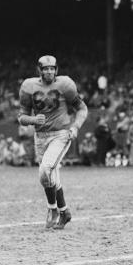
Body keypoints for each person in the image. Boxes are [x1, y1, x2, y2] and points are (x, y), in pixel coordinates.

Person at [16, 54, 88, 229]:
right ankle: (64, 212)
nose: (49, 71)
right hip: (40, 137)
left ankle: (52, 208)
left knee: (45, 170)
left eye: (52, 68)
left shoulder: (65, 84)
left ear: (56, 70)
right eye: (45, 68)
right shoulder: (28, 86)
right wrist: (33, 120)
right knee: (50, 176)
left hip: (60, 134)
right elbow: (21, 116)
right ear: (39, 70)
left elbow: (81, 108)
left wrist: (76, 127)